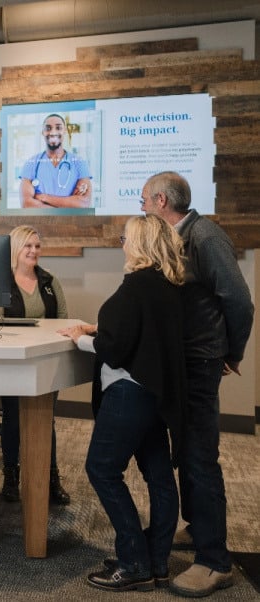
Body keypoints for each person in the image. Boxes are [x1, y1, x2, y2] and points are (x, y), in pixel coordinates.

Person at [140, 171, 254, 597]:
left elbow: (239, 301)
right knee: (185, 452)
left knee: (199, 457)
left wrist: (232, 352)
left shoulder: (205, 236)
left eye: (143, 201)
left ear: (162, 200)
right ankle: (198, 527)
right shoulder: (176, 236)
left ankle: (214, 561)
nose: (142, 208)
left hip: (201, 361)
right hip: (182, 361)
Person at [60, 214, 187, 592]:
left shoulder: (135, 286)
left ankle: (134, 562)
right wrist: (96, 328)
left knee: (101, 469)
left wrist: (79, 339)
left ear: (141, 243)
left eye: (125, 237)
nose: (122, 244)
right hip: (156, 397)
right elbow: (143, 332)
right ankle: (156, 561)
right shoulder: (169, 285)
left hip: (129, 393)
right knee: (160, 479)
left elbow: (115, 349)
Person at [0, 225, 70, 505]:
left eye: (37, 246)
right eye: (28, 246)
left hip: (45, 361)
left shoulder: (50, 281)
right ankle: (10, 478)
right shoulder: (1, 282)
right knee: (13, 417)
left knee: (44, 418)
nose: (34, 251)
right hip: (12, 361)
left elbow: (64, 319)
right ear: (15, 249)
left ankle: (51, 479)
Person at [19, 113, 92, 209]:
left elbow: (84, 204)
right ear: (42, 132)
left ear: (65, 131)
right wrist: (67, 205)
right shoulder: (31, 163)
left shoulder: (79, 163)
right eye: (48, 128)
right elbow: (27, 204)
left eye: (58, 128)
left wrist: (45, 198)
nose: (53, 132)